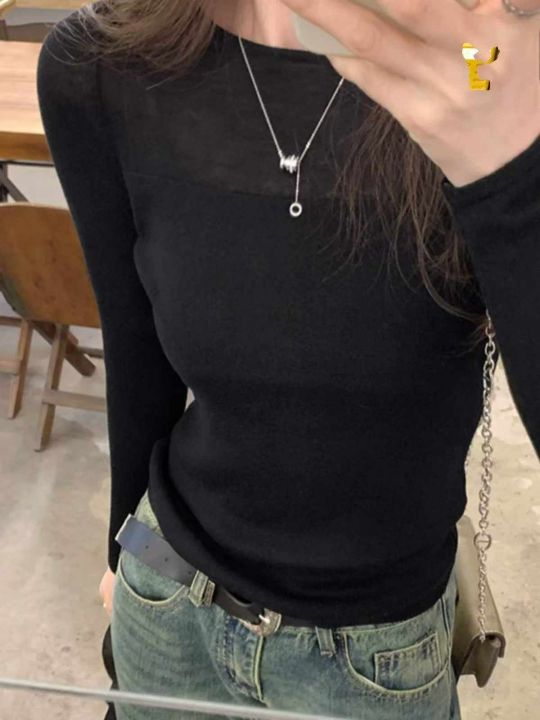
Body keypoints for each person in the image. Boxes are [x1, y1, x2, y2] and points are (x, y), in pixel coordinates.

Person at [36, 0, 539, 718]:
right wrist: (124, 555)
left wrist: (513, 169)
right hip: (164, 588)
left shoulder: (483, 66)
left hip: (373, 651)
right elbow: (135, 347)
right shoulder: (102, 62)